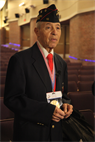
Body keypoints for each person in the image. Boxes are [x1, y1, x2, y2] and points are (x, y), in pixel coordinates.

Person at [4, 4, 73, 142]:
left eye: (58, 28)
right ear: (37, 31)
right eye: (48, 27)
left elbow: (63, 95)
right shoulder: (20, 60)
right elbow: (12, 99)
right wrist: (46, 112)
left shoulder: (61, 63)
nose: (55, 32)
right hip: (31, 133)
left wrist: (66, 104)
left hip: (56, 133)